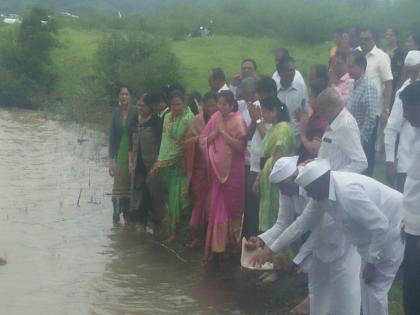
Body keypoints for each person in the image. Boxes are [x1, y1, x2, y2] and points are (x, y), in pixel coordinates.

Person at [261, 158, 404, 315]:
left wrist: (371, 262)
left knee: (375, 290)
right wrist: (271, 249)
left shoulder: (348, 193)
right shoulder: (322, 192)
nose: (308, 195)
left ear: (320, 184)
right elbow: (301, 224)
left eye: (310, 190)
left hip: (392, 229)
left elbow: (381, 226)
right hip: (370, 238)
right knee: (367, 288)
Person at [201, 90, 247, 265]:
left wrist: (224, 134)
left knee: (232, 208)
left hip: (234, 172)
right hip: (216, 171)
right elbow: (203, 140)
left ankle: (231, 245)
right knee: (217, 208)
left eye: (225, 104)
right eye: (219, 103)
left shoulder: (238, 120)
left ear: (232, 105)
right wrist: (215, 134)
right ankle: (217, 247)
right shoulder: (214, 118)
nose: (222, 107)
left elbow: (241, 147)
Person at [150, 90, 195, 243]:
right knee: (171, 199)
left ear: (185, 104)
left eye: (179, 104)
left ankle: (185, 233)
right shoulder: (167, 117)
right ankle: (174, 233)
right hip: (169, 166)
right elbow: (166, 141)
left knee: (183, 199)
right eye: (173, 105)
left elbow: (182, 145)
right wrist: (160, 160)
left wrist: (161, 162)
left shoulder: (190, 119)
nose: (176, 108)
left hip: (183, 164)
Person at [255, 96, 295, 232]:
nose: (263, 116)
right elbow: (267, 157)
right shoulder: (274, 128)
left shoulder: (283, 128)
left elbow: (278, 156)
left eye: (265, 112)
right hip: (268, 180)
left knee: (279, 219)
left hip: (279, 181)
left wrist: (270, 174)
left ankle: (282, 252)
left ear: (274, 111)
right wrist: (259, 177)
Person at [185, 91, 218, 248]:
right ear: (203, 106)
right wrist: (201, 139)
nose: (211, 108)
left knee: (212, 204)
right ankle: (195, 234)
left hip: (217, 169)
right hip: (200, 169)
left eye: (214, 105)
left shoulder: (221, 120)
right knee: (199, 202)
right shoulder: (198, 120)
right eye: (208, 105)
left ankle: (209, 237)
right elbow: (188, 140)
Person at [384, 51, 420, 192]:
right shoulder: (405, 93)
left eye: (415, 71)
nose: (412, 76)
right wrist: (389, 160)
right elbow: (391, 128)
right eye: (408, 71)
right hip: (408, 164)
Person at [128, 95, 164, 234]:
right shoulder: (134, 120)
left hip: (152, 164)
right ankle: (141, 223)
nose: (139, 108)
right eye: (138, 105)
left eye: (142, 105)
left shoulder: (156, 121)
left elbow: (161, 142)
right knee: (139, 193)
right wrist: (130, 160)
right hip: (138, 164)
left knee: (153, 194)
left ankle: (157, 223)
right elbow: (131, 143)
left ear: (149, 107)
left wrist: (158, 162)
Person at [399, 80, 420, 315]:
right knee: (411, 290)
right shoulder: (416, 133)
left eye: (407, 109)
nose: (404, 115)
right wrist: (407, 220)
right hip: (414, 227)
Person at [360, 28, 393, 156]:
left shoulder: (381, 57)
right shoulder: (357, 54)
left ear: (374, 40)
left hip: (373, 110)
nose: (363, 42)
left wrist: (385, 109)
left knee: (368, 148)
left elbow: (388, 84)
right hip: (356, 108)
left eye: (366, 39)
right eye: (361, 39)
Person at [108, 87, 138, 223]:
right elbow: (112, 138)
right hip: (120, 151)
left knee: (130, 183)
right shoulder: (115, 114)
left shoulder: (136, 112)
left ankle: (128, 213)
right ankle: (116, 212)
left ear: (130, 97)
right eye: (121, 94)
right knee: (118, 182)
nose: (124, 96)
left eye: (126, 94)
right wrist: (111, 160)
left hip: (133, 151)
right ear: (118, 97)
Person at [347, 50, 378, 176]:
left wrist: (360, 141)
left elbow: (370, 118)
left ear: (360, 66)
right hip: (352, 137)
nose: (348, 70)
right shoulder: (355, 85)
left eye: (351, 66)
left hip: (362, 140)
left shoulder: (368, 86)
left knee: (363, 176)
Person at [296, 65, 329, 163]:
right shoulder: (315, 113)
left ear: (317, 99)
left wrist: (302, 134)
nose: (309, 101)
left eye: (311, 97)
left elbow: (314, 149)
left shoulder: (320, 119)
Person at [276, 55, 309, 137]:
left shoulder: (301, 87)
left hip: (296, 135)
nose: (293, 73)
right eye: (290, 70)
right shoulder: (273, 90)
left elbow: (307, 110)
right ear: (280, 72)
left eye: (293, 70)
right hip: (278, 135)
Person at [385, 27, 406, 95]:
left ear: (396, 37)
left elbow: (400, 71)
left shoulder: (400, 52)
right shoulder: (384, 51)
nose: (388, 37)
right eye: (387, 34)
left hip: (393, 83)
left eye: (391, 35)